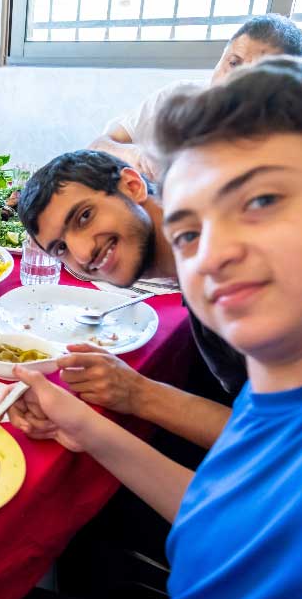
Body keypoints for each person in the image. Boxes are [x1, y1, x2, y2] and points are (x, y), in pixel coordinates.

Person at [0, 56, 302, 599]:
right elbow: (228, 504)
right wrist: (83, 423)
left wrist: (133, 398)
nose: (209, 260)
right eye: (189, 231)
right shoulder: (292, 386)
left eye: (262, 204)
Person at [16, 150, 236, 448]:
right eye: (61, 248)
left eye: (84, 217)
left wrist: (139, 394)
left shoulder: (230, 272)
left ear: (133, 185)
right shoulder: (193, 260)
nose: (82, 254)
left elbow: (289, 446)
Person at [89, 14, 302, 181]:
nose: (233, 82)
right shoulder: (178, 96)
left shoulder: (285, 142)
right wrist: (137, 156)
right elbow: (98, 146)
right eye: (234, 63)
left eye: (255, 77)